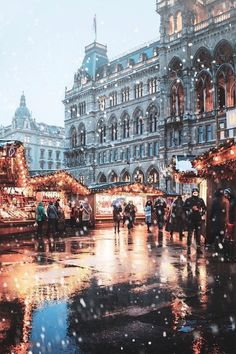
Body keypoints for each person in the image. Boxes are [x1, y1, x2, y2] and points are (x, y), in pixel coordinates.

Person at [184, 187, 206, 254]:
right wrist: (191, 209)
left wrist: (201, 213)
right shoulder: (188, 200)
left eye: (196, 192)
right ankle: (188, 247)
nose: (195, 193)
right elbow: (184, 208)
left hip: (198, 219)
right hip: (191, 219)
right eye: (194, 192)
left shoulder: (200, 200)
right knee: (190, 233)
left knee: (198, 234)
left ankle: (198, 248)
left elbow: (204, 208)